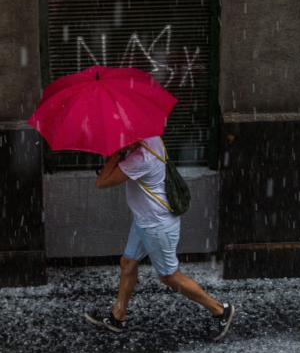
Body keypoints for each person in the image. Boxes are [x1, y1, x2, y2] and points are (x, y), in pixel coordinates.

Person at [84, 136, 235, 341]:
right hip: (144, 219)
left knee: (169, 276)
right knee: (128, 263)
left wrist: (119, 152)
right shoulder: (153, 139)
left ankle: (220, 309)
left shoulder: (141, 158)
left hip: (156, 225)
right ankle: (117, 316)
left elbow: (102, 181)